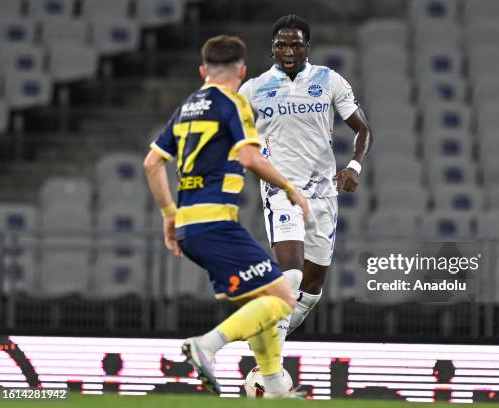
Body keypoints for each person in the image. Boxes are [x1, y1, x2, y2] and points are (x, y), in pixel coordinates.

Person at [143, 34, 310, 398]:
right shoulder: (231, 103)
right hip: (215, 223)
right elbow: (250, 158)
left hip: (190, 225)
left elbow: (153, 162)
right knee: (284, 299)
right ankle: (207, 345)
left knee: (261, 301)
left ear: (204, 70)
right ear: (242, 70)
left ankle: (273, 383)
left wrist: (169, 215)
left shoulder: (187, 105)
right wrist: (291, 189)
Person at [239, 15, 372, 352]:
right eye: (281, 44)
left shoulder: (329, 81)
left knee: (310, 291)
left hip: (323, 193)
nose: (288, 50)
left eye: (295, 44)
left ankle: (268, 344)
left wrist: (354, 166)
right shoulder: (253, 90)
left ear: (307, 47)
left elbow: (363, 129)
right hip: (281, 190)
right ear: (271, 48)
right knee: (292, 274)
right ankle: (269, 362)